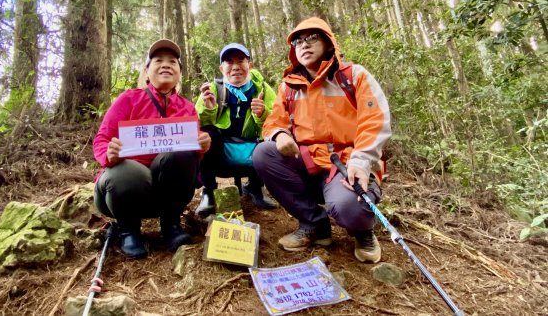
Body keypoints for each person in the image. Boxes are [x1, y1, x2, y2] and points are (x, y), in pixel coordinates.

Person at [252, 17, 391, 263]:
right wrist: (280, 134)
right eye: (297, 41)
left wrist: (362, 161)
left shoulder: (353, 76)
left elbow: (375, 121)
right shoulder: (289, 87)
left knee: (350, 209)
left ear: (329, 43)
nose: (303, 44)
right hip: (309, 163)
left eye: (312, 38)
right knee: (264, 153)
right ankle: (314, 224)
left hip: (348, 163)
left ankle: (362, 230)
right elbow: (274, 121)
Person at [93, 39, 211, 259]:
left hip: (163, 195)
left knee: (183, 152)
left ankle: (171, 225)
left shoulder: (187, 108)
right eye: (158, 60)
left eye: (172, 61)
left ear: (179, 73)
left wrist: (201, 147)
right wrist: (109, 153)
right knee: (128, 171)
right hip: (120, 192)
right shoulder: (129, 99)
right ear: (147, 71)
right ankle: (128, 230)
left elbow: (190, 160)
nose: (166, 64)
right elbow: (101, 140)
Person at [194, 43, 277, 217]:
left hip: (253, 147)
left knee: (272, 139)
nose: (235, 67)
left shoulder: (262, 89)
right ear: (221, 67)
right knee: (207, 134)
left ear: (250, 65)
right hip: (220, 151)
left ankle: (256, 187)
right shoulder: (213, 89)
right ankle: (209, 192)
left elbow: (277, 122)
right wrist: (209, 109)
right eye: (229, 62)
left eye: (241, 60)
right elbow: (196, 124)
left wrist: (261, 113)